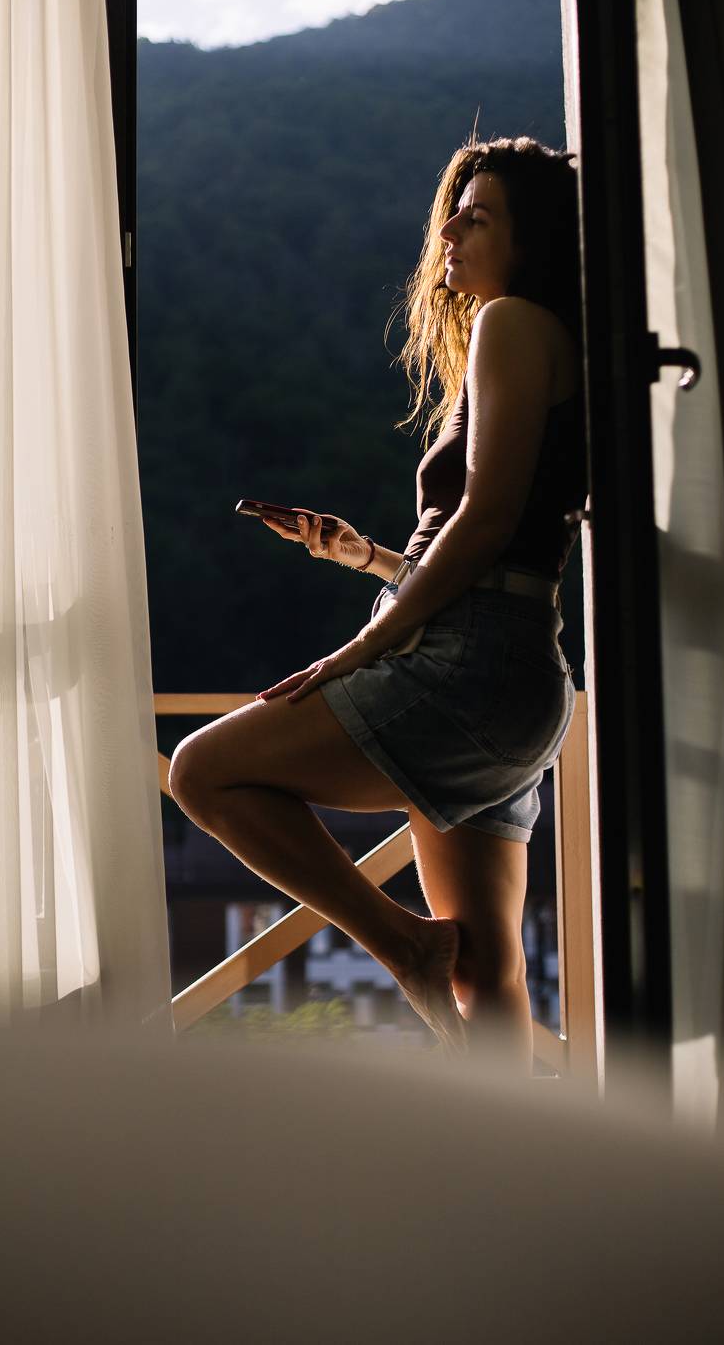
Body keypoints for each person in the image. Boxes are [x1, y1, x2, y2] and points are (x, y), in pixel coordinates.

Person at [169, 136, 587, 1072]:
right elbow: (496, 543)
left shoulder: (511, 321)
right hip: (521, 676)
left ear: (530, 240)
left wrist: (363, 649)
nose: (450, 233)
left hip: (467, 665)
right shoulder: (544, 339)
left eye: (477, 218)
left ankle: (402, 947)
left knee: (201, 771)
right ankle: (508, 1151)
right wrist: (369, 559)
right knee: (488, 974)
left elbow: (484, 520)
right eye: (452, 216)